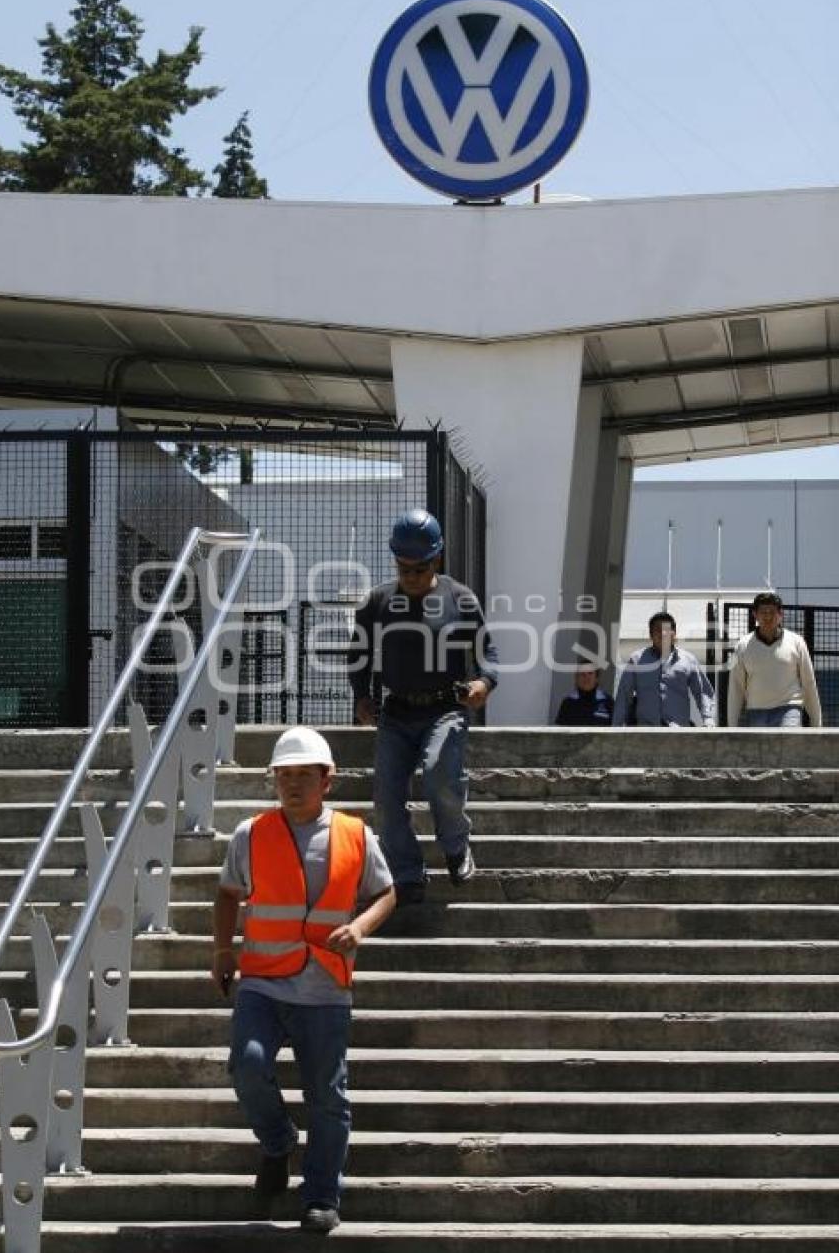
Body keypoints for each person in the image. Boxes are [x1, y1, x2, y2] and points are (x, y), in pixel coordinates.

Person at [212, 725, 395, 1234]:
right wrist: (223, 950)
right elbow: (228, 894)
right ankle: (277, 1142)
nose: (292, 785)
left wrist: (359, 928)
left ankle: (321, 1196)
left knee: (328, 1097)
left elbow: (387, 893)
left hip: (325, 987)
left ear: (327, 780)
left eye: (303, 776)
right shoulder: (251, 834)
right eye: (283, 776)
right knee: (247, 1066)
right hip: (263, 981)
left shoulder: (356, 835)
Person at [347, 508, 498, 906]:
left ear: (437, 560)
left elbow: (488, 652)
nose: (410, 577)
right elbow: (358, 654)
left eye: (418, 569)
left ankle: (455, 846)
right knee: (386, 796)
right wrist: (362, 699)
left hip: (445, 709)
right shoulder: (378, 601)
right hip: (395, 714)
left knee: (438, 774)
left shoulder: (460, 599)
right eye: (402, 568)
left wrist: (484, 682)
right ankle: (407, 873)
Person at [727, 592, 822, 727]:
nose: (767, 616)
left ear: (780, 614)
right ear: (755, 614)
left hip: (789, 708)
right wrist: (731, 726)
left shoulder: (797, 642)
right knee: (760, 748)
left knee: (789, 743)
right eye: (763, 612)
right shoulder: (741, 646)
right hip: (756, 710)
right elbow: (735, 687)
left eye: (772, 612)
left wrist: (817, 723)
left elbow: (809, 682)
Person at [613, 610, 715, 727]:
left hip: (678, 733)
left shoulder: (688, 660)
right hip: (646, 734)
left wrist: (708, 718)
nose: (662, 633)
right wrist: (617, 727)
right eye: (657, 630)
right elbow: (624, 696)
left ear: (674, 634)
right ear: (651, 635)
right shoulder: (636, 660)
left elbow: (702, 691)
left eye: (666, 629)